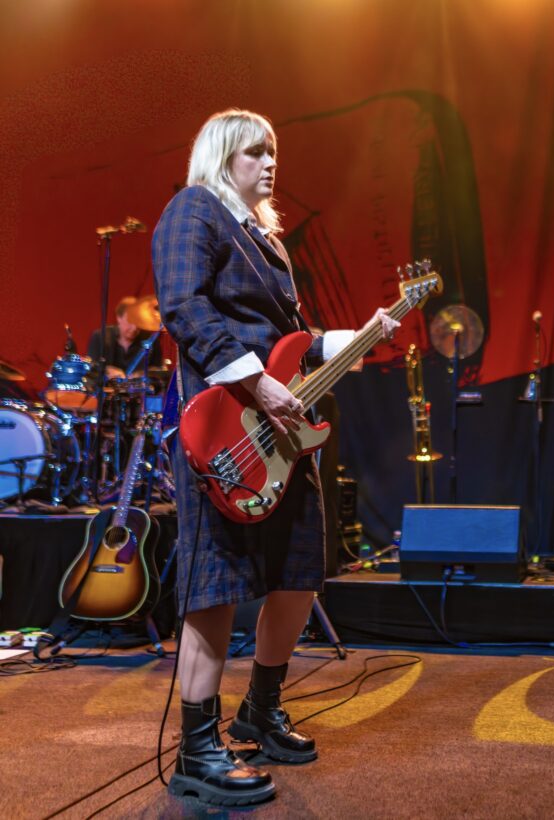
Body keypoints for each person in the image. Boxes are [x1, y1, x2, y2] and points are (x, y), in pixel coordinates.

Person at [152, 109, 398, 806]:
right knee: (214, 587)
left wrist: (359, 336)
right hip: (224, 430)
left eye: (273, 152)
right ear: (222, 155)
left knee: (298, 575)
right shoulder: (194, 209)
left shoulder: (267, 241)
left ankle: (260, 709)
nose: (270, 163)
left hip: (281, 439)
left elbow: (294, 341)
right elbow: (183, 307)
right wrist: (256, 383)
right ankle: (197, 749)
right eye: (256, 152)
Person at [87, 296, 163, 379]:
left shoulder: (151, 340)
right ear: (118, 317)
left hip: (138, 386)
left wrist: (142, 374)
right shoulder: (100, 336)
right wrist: (107, 370)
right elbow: (91, 367)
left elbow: (158, 370)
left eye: (138, 322)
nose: (134, 328)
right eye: (130, 321)